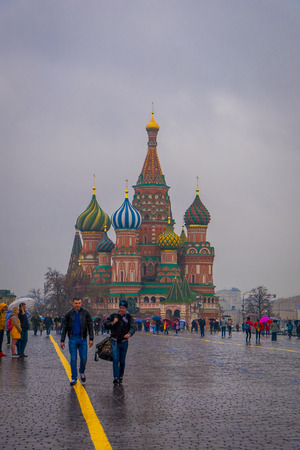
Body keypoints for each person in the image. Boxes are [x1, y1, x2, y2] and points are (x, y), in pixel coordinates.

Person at [60, 298, 94, 386]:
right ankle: (74, 378)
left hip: (82, 339)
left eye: (79, 303)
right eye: (76, 303)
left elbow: (90, 326)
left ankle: (82, 371)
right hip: (73, 339)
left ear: (81, 303)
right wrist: (62, 340)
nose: (77, 305)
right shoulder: (68, 314)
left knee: (84, 358)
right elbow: (64, 327)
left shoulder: (86, 313)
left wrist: (91, 338)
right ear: (72, 303)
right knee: (73, 359)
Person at [104, 299, 136, 385]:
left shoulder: (129, 317)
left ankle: (120, 376)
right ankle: (115, 377)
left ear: (126, 309)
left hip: (124, 342)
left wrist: (129, 334)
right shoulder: (113, 316)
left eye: (123, 308)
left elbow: (133, 327)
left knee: (122, 361)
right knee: (115, 359)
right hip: (115, 341)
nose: (121, 310)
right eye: (120, 308)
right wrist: (113, 323)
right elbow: (106, 325)